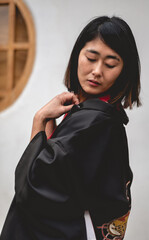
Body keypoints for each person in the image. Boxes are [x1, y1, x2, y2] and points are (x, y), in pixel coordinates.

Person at [0, 16, 141, 240]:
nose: (97, 70)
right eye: (91, 57)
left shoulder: (94, 122)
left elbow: (31, 187)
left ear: (124, 71)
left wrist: (40, 118)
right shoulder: (94, 115)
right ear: (77, 55)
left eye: (110, 64)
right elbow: (52, 168)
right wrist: (49, 123)